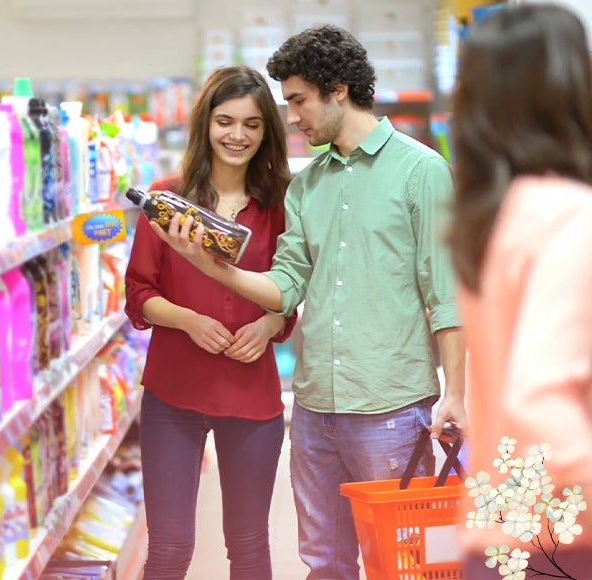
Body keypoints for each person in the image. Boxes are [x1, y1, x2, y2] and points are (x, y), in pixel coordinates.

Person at [149, 25, 467, 578]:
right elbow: (286, 285)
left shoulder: (421, 172)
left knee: (404, 565)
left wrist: (456, 395)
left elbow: (448, 298)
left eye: (297, 100)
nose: (292, 117)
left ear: (337, 89)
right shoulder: (306, 185)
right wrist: (208, 263)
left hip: (390, 409)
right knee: (324, 562)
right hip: (317, 412)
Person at [124, 65, 297, 579]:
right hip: (172, 393)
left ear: (267, 130)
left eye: (251, 124)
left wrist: (268, 326)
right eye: (225, 121)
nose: (237, 135)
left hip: (251, 395)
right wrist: (188, 321)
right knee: (170, 549)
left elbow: (292, 294)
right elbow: (138, 293)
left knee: (248, 547)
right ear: (205, 124)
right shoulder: (168, 198)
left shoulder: (283, 203)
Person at [447, 4, 592, 577]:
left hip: (499, 530)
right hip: (569, 536)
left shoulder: (491, 221)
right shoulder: (569, 216)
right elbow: (539, 397)